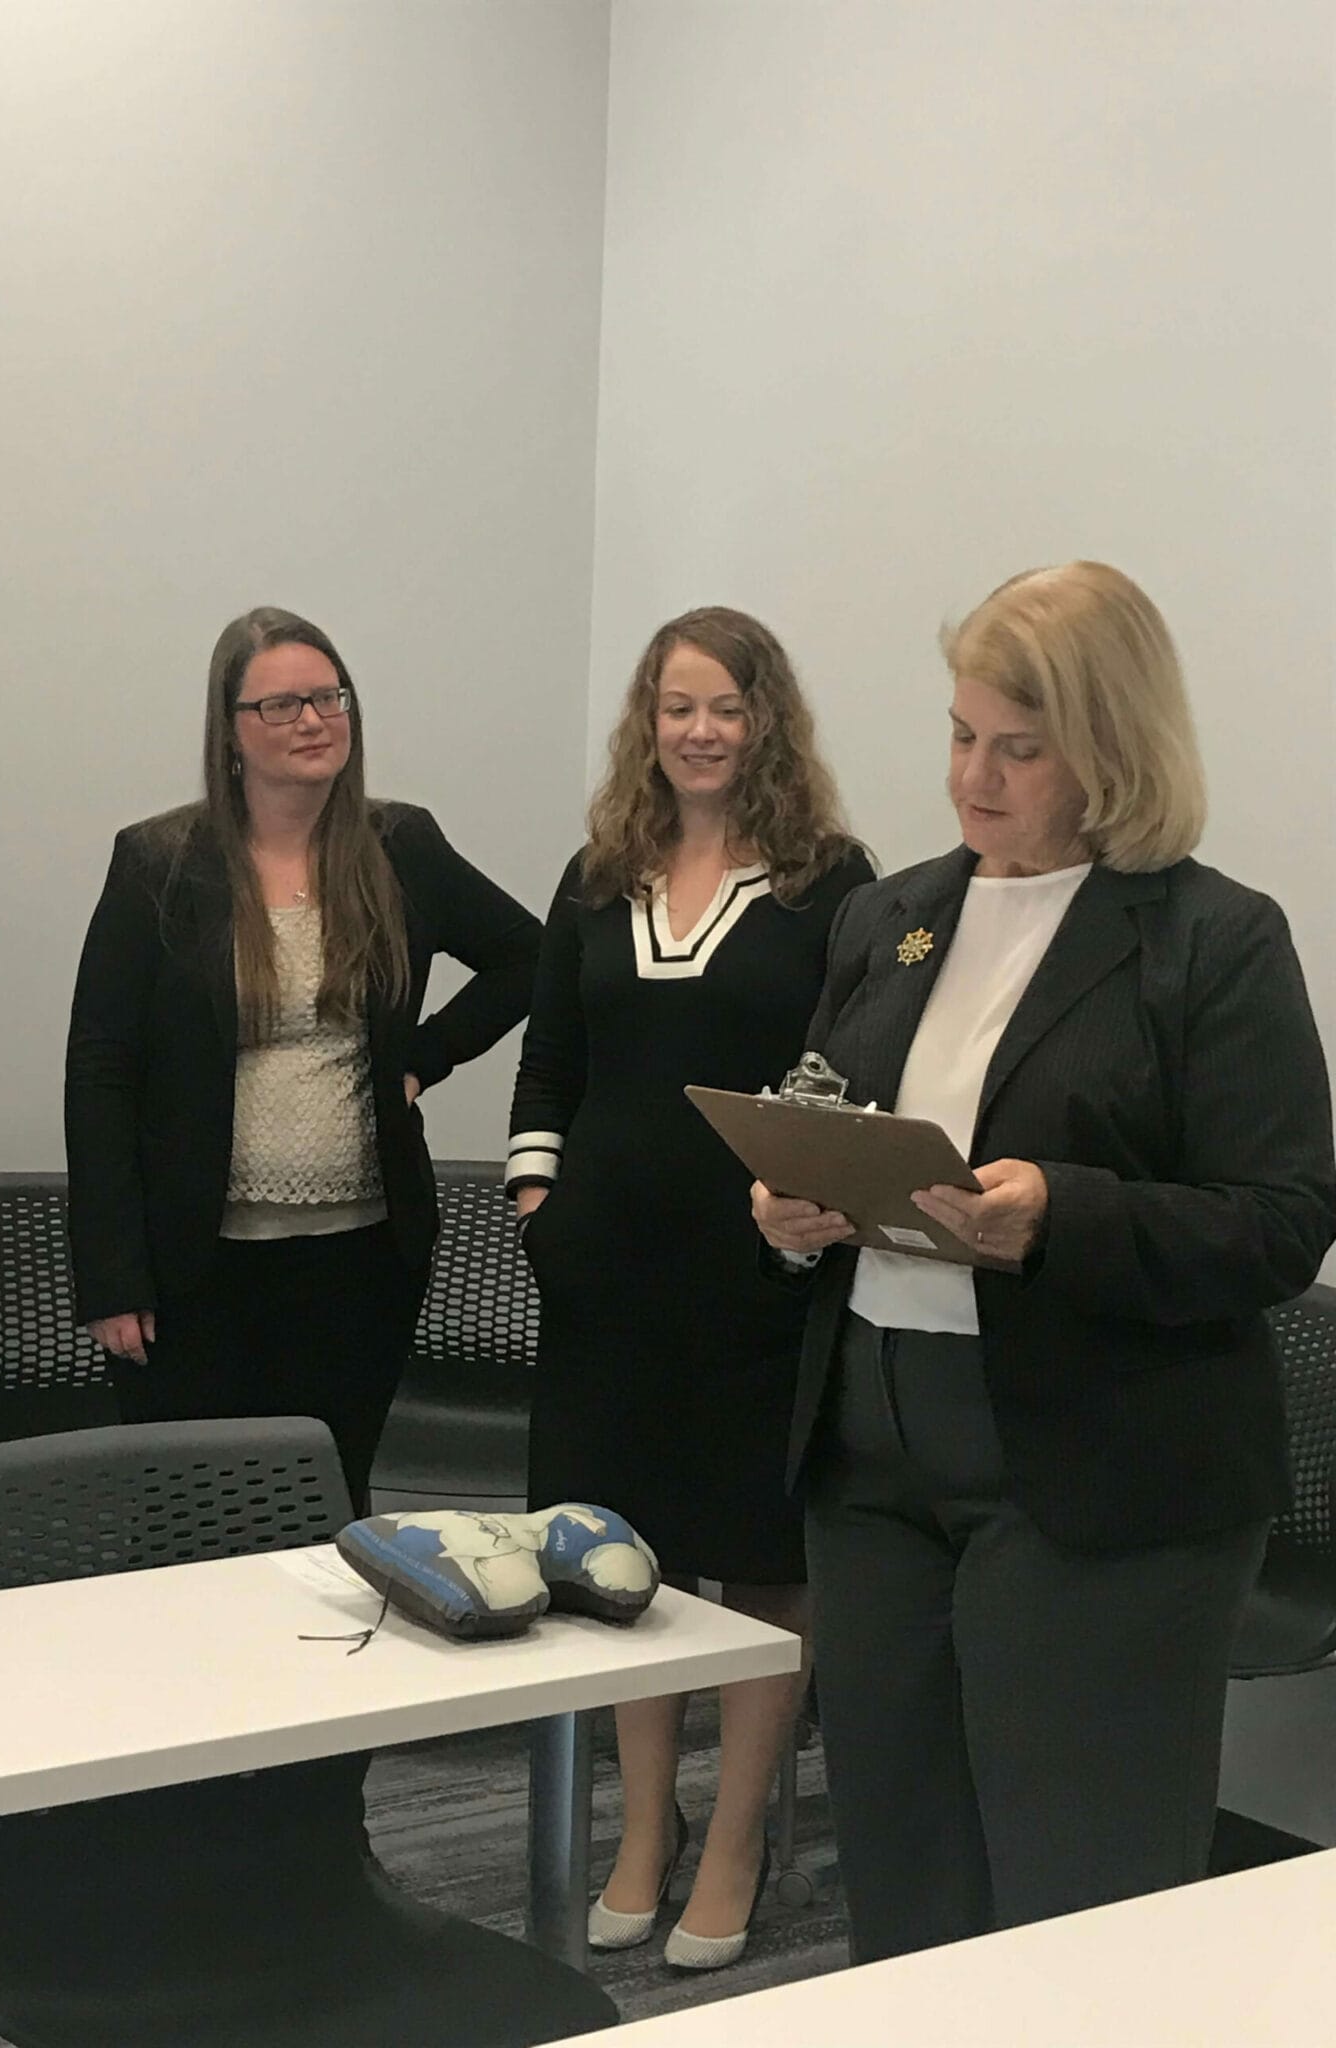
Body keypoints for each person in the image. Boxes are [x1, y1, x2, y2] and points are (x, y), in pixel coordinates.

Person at [753, 561, 1336, 1963]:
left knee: (1082, 1902)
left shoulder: (1212, 938)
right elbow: (825, 1107)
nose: (975, 777)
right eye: (962, 735)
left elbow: (1281, 1217)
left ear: (1113, 750)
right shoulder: (891, 917)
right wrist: (789, 1205)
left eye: (1020, 748)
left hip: (1095, 1481)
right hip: (871, 1469)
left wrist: (1058, 1215)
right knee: (902, 1873)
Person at [508, 606, 872, 1969]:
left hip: (756, 1283)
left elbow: (844, 1074)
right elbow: (551, 1062)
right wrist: (539, 1208)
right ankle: (645, 1825)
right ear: (647, 721)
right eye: (678, 706)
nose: (701, 731)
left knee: (763, 1561)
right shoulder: (599, 871)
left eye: (726, 706)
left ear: (766, 717)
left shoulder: (831, 881)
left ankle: (734, 1841)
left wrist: (800, 1225)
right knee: (621, 1558)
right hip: (604, 1283)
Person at [66, 605, 541, 1511]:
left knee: (324, 1507)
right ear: (231, 731)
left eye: (330, 697)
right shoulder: (159, 863)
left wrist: (424, 1059)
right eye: (280, 705)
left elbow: (532, 958)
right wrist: (111, 1276)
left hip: (360, 1261)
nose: (314, 720)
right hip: (192, 1264)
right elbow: (100, 1071)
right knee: (191, 1516)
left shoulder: (401, 847)